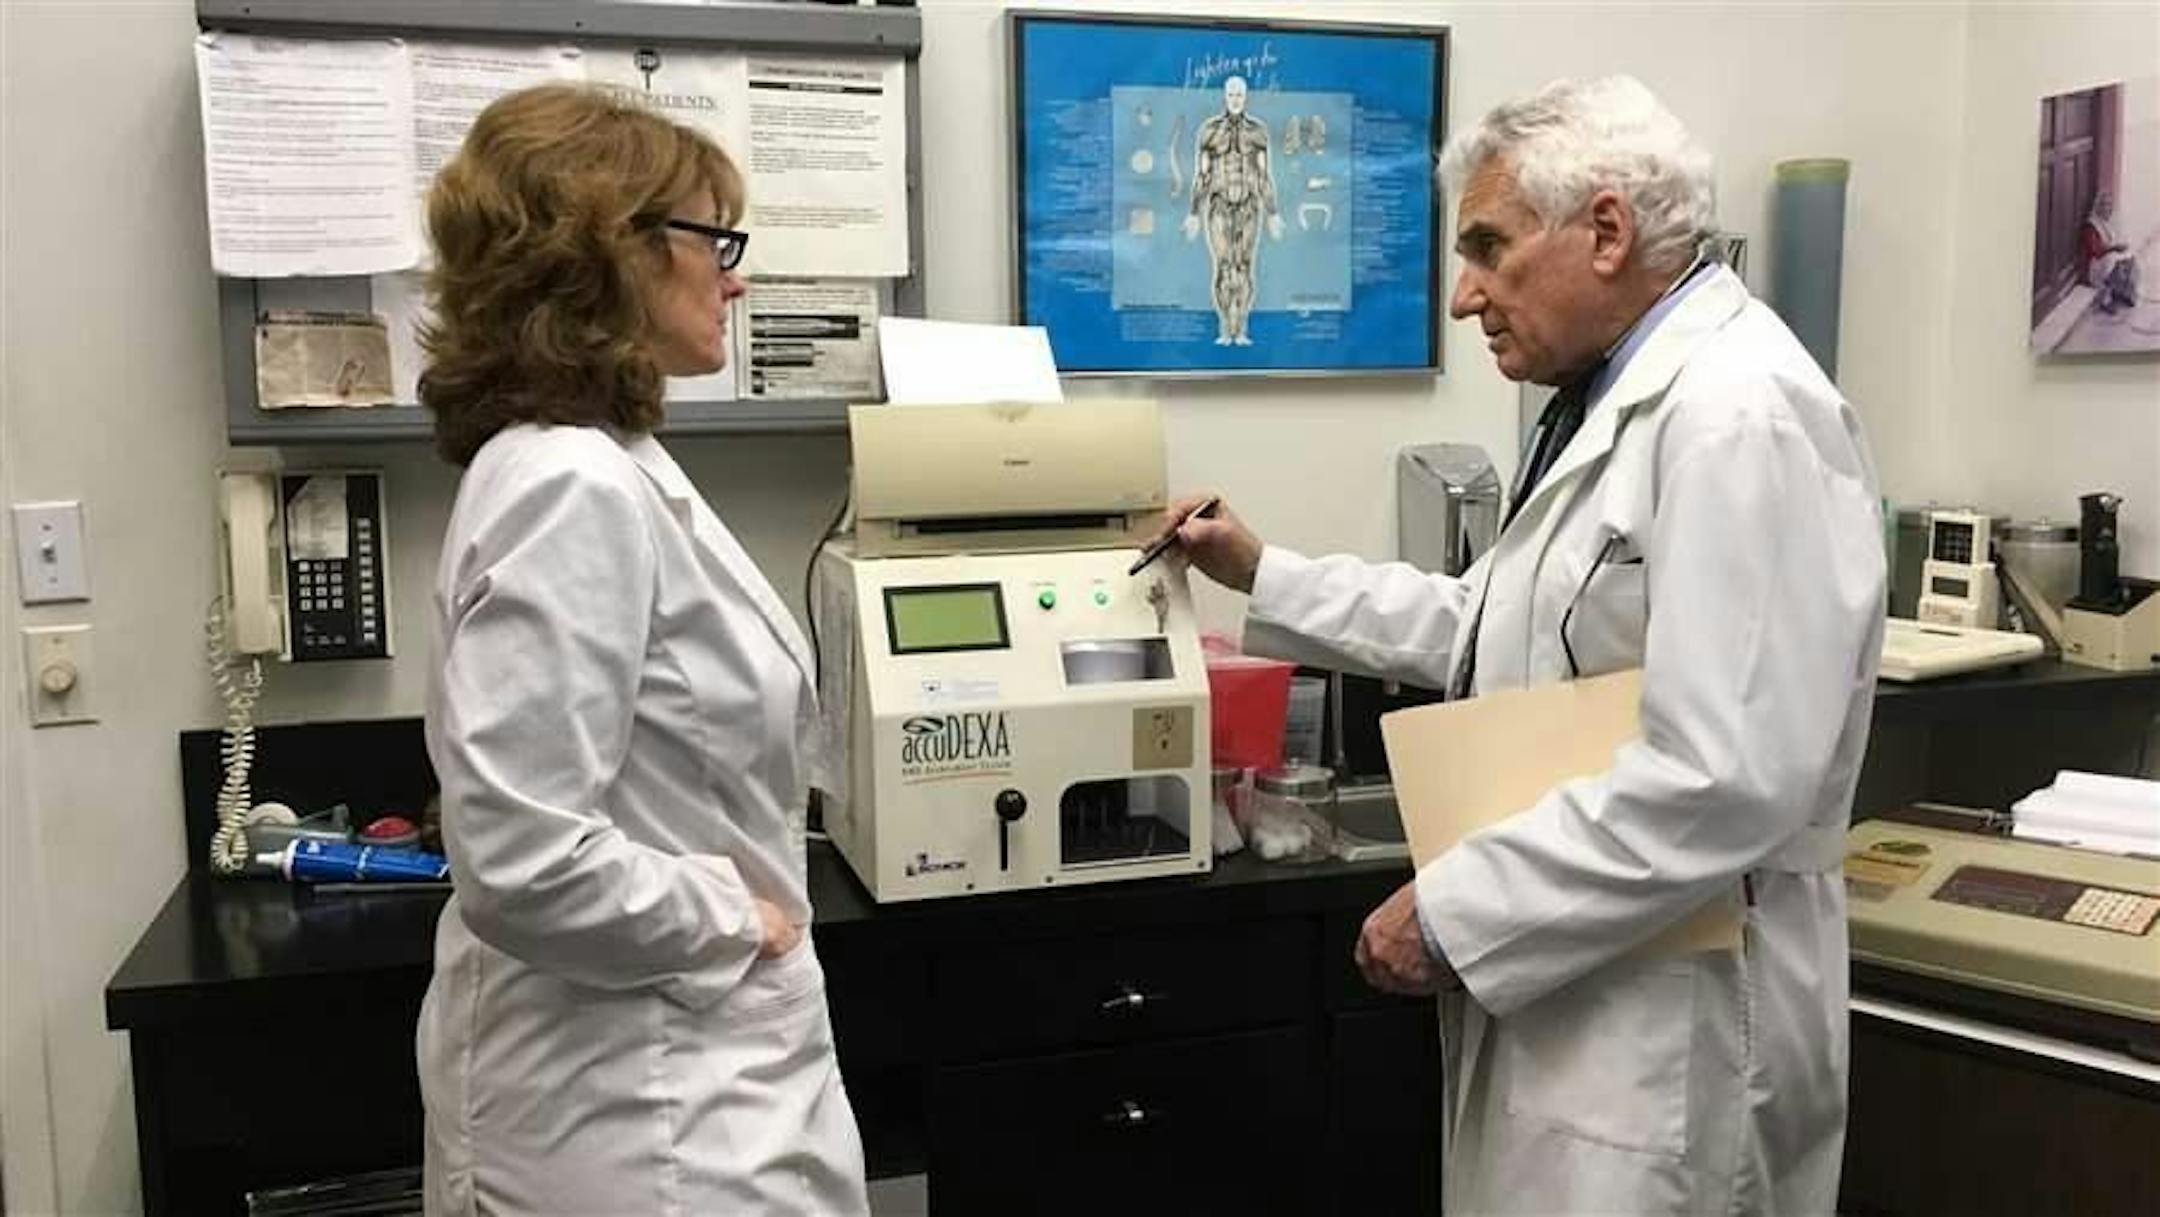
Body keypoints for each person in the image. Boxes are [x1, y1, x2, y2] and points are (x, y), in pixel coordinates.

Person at [1155, 76, 1884, 1214]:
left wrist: (1460, 910)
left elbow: (1722, 774)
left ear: (1605, 231)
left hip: (1679, 1021)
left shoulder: (1737, 415)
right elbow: (1487, 623)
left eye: (1490, 247)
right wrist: (1264, 571)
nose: (1462, 296)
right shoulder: (1613, 401)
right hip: (1598, 983)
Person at [413, 83, 866, 1216]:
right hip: (638, 1115)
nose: (736, 273)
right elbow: (523, 858)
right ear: (606, 252)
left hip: (696, 1073)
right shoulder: (567, 482)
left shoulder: (597, 461)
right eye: (714, 238)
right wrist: (736, 915)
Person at [1183, 75, 1286, 345]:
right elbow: (1202, 175)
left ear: (1246, 96)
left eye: (1240, 95)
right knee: (1223, 265)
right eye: (1231, 95)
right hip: (1218, 206)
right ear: (1225, 97)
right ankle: (1225, 328)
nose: (1236, 100)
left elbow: (1264, 175)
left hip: (1250, 207)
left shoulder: (1258, 132)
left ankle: (1240, 329)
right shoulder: (1209, 131)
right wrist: (1193, 212)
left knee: (1245, 266)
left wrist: (1273, 212)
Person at [2082, 190, 2141, 313]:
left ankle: (2125, 293)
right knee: (2113, 262)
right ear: (2097, 206)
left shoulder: (2111, 222)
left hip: (2110, 257)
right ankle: (2106, 300)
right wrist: (2114, 248)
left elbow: (2118, 240)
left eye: (2109, 205)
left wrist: (2122, 248)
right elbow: (2095, 251)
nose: (2106, 208)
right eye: (2103, 205)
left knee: (2131, 261)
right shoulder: (2091, 224)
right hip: (2097, 263)